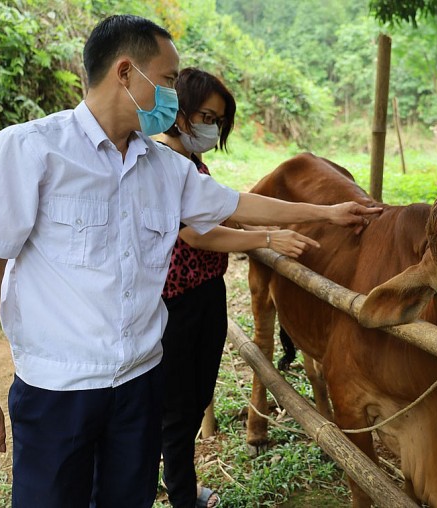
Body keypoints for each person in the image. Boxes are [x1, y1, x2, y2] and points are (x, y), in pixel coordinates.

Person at [0, 14, 380, 508]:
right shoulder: (27, 151)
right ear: (126, 73)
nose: (176, 94)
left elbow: (237, 203)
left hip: (140, 385)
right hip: (59, 391)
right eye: (170, 79)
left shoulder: (166, 169)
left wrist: (327, 211)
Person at [153, 68, 309, 508]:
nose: (212, 127)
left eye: (219, 120)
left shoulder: (190, 160)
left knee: (194, 395)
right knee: (180, 407)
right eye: (206, 115)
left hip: (205, 293)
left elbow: (224, 206)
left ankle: (161, 482)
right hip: (176, 303)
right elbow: (196, 234)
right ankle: (182, 495)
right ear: (179, 111)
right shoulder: (165, 159)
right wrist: (266, 237)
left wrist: (260, 222)